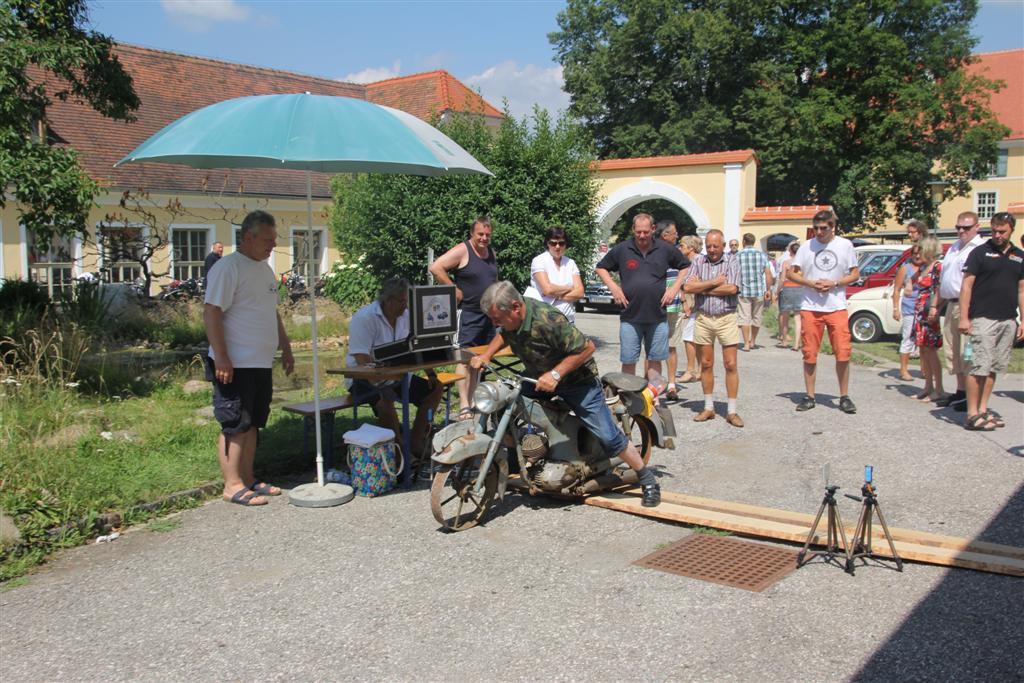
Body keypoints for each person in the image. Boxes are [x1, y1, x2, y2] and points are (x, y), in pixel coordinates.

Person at [470, 281, 662, 507]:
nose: (495, 324)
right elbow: (504, 333)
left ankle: (646, 478)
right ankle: (519, 456)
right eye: (493, 319)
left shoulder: (549, 320)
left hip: (577, 382)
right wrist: (486, 355)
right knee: (505, 403)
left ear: (515, 307)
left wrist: (556, 375)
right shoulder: (513, 320)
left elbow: (587, 347)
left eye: (497, 318)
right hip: (538, 376)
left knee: (608, 436)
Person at [204, 211, 294, 507]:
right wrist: (222, 357)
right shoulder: (228, 268)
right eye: (267, 239)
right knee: (235, 423)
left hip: (260, 361)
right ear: (248, 237)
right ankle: (232, 485)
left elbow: (271, 311)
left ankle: (248, 477)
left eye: (274, 239)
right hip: (234, 362)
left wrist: (286, 345)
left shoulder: (265, 270)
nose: (273, 244)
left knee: (253, 422)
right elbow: (212, 312)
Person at [345, 278, 444, 458]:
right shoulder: (364, 318)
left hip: (396, 375)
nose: (405, 306)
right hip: (361, 378)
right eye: (402, 301)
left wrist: (431, 374)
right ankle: (398, 454)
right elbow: (361, 359)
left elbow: (417, 346)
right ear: (388, 300)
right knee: (386, 400)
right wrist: (381, 384)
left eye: (407, 301)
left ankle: (415, 441)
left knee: (435, 388)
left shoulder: (405, 316)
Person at [595, 213, 690, 378]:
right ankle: (630, 399)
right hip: (630, 317)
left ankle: (653, 400)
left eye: (646, 232)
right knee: (628, 360)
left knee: (655, 360)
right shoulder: (623, 249)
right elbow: (601, 267)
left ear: (653, 229)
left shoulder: (664, 249)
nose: (642, 235)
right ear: (633, 230)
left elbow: (685, 266)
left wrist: (674, 288)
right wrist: (613, 287)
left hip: (658, 317)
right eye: (638, 232)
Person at [787, 210, 859, 414]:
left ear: (832, 227)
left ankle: (844, 396)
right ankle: (810, 396)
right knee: (809, 353)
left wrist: (835, 282)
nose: (818, 232)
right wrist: (809, 282)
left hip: (836, 306)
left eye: (823, 228)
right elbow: (791, 273)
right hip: (811, 306)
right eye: (815, 228)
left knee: (843, 353)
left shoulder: (845, 245)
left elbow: (855, 273)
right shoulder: (806, 247)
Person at [429, 216, 499, 420]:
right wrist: (452, 288)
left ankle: (476, 399)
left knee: (481, 359)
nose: (484, 238)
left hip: (488, 315)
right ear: (472, 234)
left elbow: (494, 279)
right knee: (464, 357)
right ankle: (464, 405)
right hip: (468, 313)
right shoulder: (463, 250)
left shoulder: (491, 253)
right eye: (480, 234)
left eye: (487, 235)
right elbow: (436, 267)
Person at [958, 212, 1024, 431]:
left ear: (1011, 230)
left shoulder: (1019, 256)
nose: (997, 235)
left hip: (1007, 319)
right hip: (983, 317)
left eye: (1002, 231)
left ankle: (984, 409)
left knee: (994, 367)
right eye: (994, 230)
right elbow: (966, 286)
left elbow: (1022, 290)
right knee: (979, 366)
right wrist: (965, 317)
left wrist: (1023, 319)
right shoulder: (980, 253)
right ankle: (972, 412)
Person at [683, 230, 743, 427]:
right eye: (708, 245)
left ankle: (732, 411)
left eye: (715, 246)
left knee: (730, 364)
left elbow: (732, 288)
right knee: (706, 364)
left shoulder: (732, 261)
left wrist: (703, 287)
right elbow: (688, 287)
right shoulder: (699, 262)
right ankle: (709, 407)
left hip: (726, 317)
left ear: (723, 246)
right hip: (704, 317)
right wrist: (715, 283)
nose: (712, 249)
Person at [935, 211, 986, 411]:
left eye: (966, 227)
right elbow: (945, 278)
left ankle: (970, 395)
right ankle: (960, 390)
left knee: (968, 352)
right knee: (952, 350)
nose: (961, 231)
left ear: (976, 227)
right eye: (958, 228)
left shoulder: (980, 248)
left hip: (968, 305)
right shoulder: (955, 247)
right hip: (950, 303)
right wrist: (935, 305)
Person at [892, 220, 929, 381]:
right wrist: (896, 308)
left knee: (925, 339)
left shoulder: (927, 265)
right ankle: (904, 369)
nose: (910, 235)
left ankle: (924, 369)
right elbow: (896, 289)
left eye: (912, 232)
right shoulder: (906, 267)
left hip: (924, 306)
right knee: (908, 337)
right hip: (910, 307)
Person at [524, 227, 584, 323]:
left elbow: (580, 292)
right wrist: (570, 288)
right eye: (553, 243)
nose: (557, 247)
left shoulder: (570, 263)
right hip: (544, 321)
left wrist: (555, 295)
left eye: (561, 243)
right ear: (547, 243)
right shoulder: (539, 261)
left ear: (566, 244)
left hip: (568, 321)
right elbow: (548, 289)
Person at [910, 238, 945, 402]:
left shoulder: (938, 266)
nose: (918, 254)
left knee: (931, 350)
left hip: (929, 311)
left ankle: (939, 388)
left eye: (921, 250)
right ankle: (928, 386)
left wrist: (935, 308)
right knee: (923, 349)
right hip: (920, 311)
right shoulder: (924, 267)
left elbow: (939, 288)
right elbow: (912, 281)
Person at [655, 220, 685, 399]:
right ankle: (651, 383)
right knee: (653, 347)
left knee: (671, 346)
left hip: (673, 306)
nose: (677, 236)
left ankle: (672, 384)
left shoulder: (677, 253)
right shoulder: (651, 252)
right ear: (665, 235)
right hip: (654, 305)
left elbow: (686, 275)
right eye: (674, 233)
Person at [736, 233, 775, 351]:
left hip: (743, 291)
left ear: (743, 242)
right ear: (754, 242)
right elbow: (768, 274)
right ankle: (753, 341)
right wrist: (768, 290)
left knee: (744, 317)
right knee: (757, 317)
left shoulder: (738, 255)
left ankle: (746, 343)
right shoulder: (762, 255)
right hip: (758, 290)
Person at [676, 235, 703, 383]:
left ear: (691, 248)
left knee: (689, 337)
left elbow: (692, 285)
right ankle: (700, 370)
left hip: (696, 304)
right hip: (691, 303)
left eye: (682, 246)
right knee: (695, 338)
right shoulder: (688, 262)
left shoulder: (698, 261)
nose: (680, 248)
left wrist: (685, 302)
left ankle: (691, 370)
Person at [776, 241, 803, 350]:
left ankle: (785, 341)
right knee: (798, 318)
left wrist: (777, 291)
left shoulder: (786, 263)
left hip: (787, 288)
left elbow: (782, 279)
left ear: (790, 251)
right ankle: (796, 344)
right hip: (800, 289)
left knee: (785, 316)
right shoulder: (803, 263)